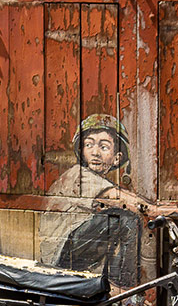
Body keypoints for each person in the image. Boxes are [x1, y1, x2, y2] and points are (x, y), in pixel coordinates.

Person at [42, 114, 147, 290]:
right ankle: (120, 288)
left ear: (116, 158)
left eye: (104, 147)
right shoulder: (78, 174)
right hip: (59, 254)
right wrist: (158, 208)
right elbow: (119, 198)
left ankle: (110, 285)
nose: (95, 152)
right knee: (126, 220)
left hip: (75, 252)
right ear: (82, 151)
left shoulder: (98, 180)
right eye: (89, 145)